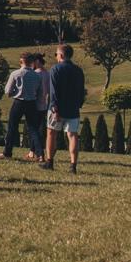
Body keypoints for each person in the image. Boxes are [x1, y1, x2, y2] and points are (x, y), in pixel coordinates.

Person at [42, 43, 87, 173]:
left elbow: (53, 91)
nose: (56, 57)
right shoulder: (78, 70)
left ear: (61, 55)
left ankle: (49, 162)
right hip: (73, 108)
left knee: (51, 133)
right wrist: (79, 104)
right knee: (72, 135)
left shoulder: (55, 69)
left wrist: (55, 108)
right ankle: (73, 165)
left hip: (57, 107)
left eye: (56, 54)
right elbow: (81, 90)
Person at [1, 52, 45, 160]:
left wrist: (14, 92)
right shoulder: (37, 76)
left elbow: (7, 90)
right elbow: (40, 91)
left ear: (21, 61)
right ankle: (40, 154)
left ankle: (8, 152)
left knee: (12, 127)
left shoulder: (15, 74)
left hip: (19, 102)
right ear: (32, 62)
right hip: (32, 103)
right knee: (33, 129)